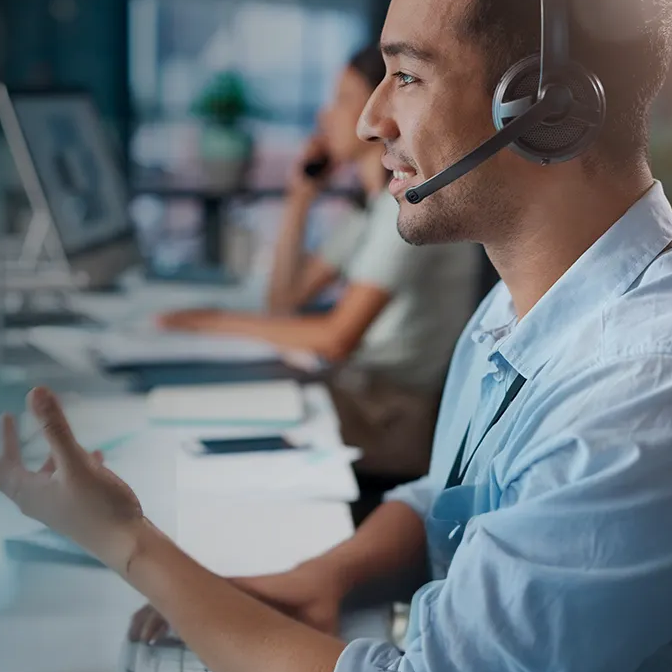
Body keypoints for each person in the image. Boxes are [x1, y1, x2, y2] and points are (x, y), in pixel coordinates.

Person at [0, 0, 672, 672]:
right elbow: (450, 502)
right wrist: (324, 576)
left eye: (407, 76)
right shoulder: (528, 304)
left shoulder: (666, 384)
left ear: (545, 109)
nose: (368, 122)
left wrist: (129, 543)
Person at [159, 44, 475, 488]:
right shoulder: (369, 209)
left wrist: (212, 322)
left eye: (344, 100)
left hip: (390, 417)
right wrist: (301, 197)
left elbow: (335, 339)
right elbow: (284, 301)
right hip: (361, 397)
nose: (328, 117)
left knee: (210, 420)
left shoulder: (406, 213)